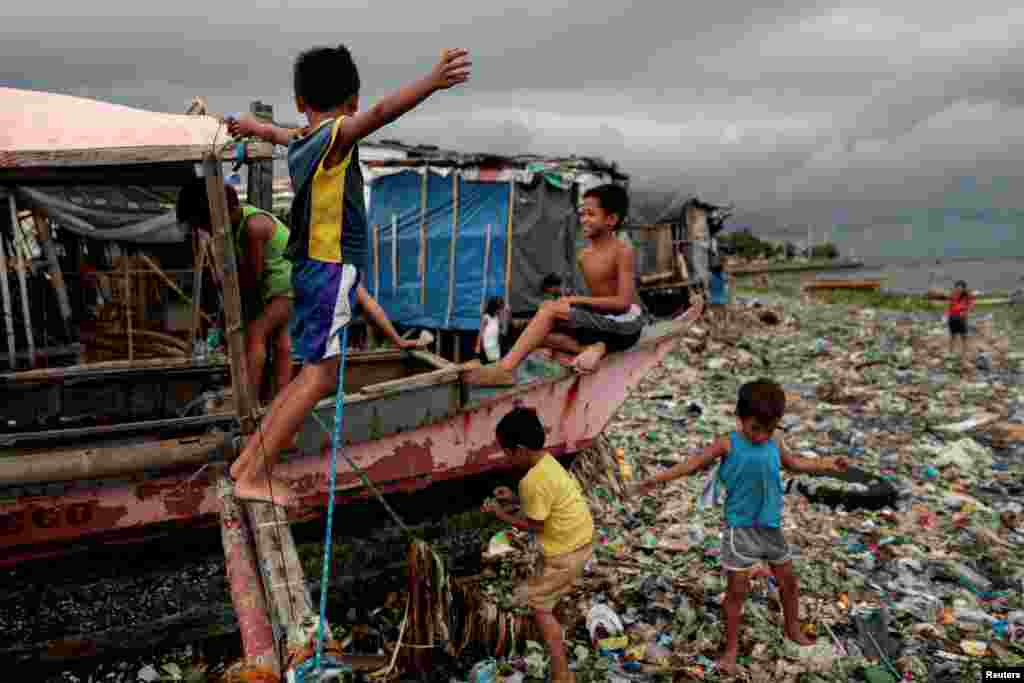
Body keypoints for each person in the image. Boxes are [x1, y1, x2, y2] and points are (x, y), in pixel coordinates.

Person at [223, 44, 471, 506]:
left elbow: (276, 134)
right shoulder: (336, 137)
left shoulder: (302, 141)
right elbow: (381, 113)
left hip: (311, 270)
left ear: (301, 101)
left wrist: (251, 127)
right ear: (352, 101)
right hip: (331, 266)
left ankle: (247, 462)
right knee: (319, 377)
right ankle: (254, 475)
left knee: (307, 373)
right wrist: (431, 82)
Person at [630, 379, 848, 674]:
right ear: (740, 418)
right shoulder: (728, 443)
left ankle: (793, 629)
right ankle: (730, 650)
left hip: (770, 527)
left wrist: (826, 464)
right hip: (740, 531)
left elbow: (795, 465)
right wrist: (656, 479)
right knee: (737, 592)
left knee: (789, 582)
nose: (761, 436)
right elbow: (692, 465)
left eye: (768, 430)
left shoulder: (775, 442)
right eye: (755, 428)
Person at [463, 185, 645, 386]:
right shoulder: (584, 256)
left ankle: (505, 369)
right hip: (606, 322)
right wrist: (565, 309)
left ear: (611, 219)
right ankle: (593, 348)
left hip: (627, 323)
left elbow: (623, 304)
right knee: (541, 329)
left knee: (550, 312)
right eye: (582, 214)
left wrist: (574, 301)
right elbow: (597, 307)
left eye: (591, 214)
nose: (584, 219)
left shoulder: (622, 251)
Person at [482, 407, 593, 683]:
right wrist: (513, 499)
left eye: (506, 452)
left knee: (539, 607)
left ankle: (562, 674)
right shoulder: (548, 463)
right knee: (547, 596)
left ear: (519, 449)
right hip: (582, 538)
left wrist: (501, 514)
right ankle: (559, 622)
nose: (506, 457)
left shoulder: (531, 481)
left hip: (565, 552)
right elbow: (544, 506)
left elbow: (536, 525)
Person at [176, 180, 295, 401]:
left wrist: (239, 313)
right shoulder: (238, 226)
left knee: (256, 333)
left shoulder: (252, 227)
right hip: (281, 285)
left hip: (286, 284)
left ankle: (248, 403)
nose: (207, 231)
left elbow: (254, 278)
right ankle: (280, 400)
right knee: (282, 340)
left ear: (217, 214)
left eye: (205, 224)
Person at [947, 279, 975, 360]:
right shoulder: (952, 295)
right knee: (953, 336)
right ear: (955, 288)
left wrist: (965, 312)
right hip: (953, 318)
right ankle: (951, 353)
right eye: (957, 287)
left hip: (962, 318)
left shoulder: (967, 296)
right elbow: (950, 306)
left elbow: (971, 306)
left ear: (963, 288)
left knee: (964, 337)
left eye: (960, 288)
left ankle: (964, 354)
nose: (958, 289)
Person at [474, 296, 505, 364]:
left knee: (496, 364)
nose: (500, 310)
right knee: (493, 364)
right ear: (494, 308)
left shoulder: (497, 318)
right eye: (499, 308)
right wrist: (478, 346)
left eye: (501, 308)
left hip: (495, 346)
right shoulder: (486, 317)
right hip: (488, 346)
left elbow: (501, 331)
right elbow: (481, 332)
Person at [708, 264, 730, 329]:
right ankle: (726, 326)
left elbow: (709, 288)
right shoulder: (723, 276)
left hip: (713, 299)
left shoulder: (711, 277)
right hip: (723, 299)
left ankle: (715, 327)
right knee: (726, 313)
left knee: (715, 314)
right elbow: (727, 286)